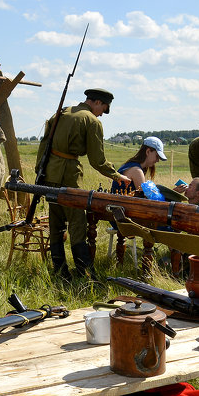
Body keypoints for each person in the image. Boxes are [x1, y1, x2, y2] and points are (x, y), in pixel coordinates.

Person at [37, 88, 131, 278]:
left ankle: (60, 271)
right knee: (78, 223)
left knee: (56, 225)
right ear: (97, 102)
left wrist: (41, 173)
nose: (102, 114)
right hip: (69, 176)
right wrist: (117, 176)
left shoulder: (62, 112)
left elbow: (44, 144)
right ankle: (85, 273)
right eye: (103, 109)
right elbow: (97, 160)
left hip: (49, 175)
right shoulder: (91, 121)